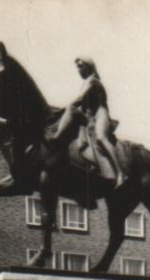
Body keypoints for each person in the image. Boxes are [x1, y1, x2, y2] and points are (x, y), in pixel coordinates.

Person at [49, 57, 126, 189]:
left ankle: (120, 173)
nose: (78, 70)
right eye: (77, 67)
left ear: (89, 66)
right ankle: (59, 136)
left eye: (81, 66)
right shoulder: (85, 83)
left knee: (101, 137)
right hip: (88, 116)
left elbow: (79, 99)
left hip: (100, 115)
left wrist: (60, 110)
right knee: (71, 111)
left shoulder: (93, 81)